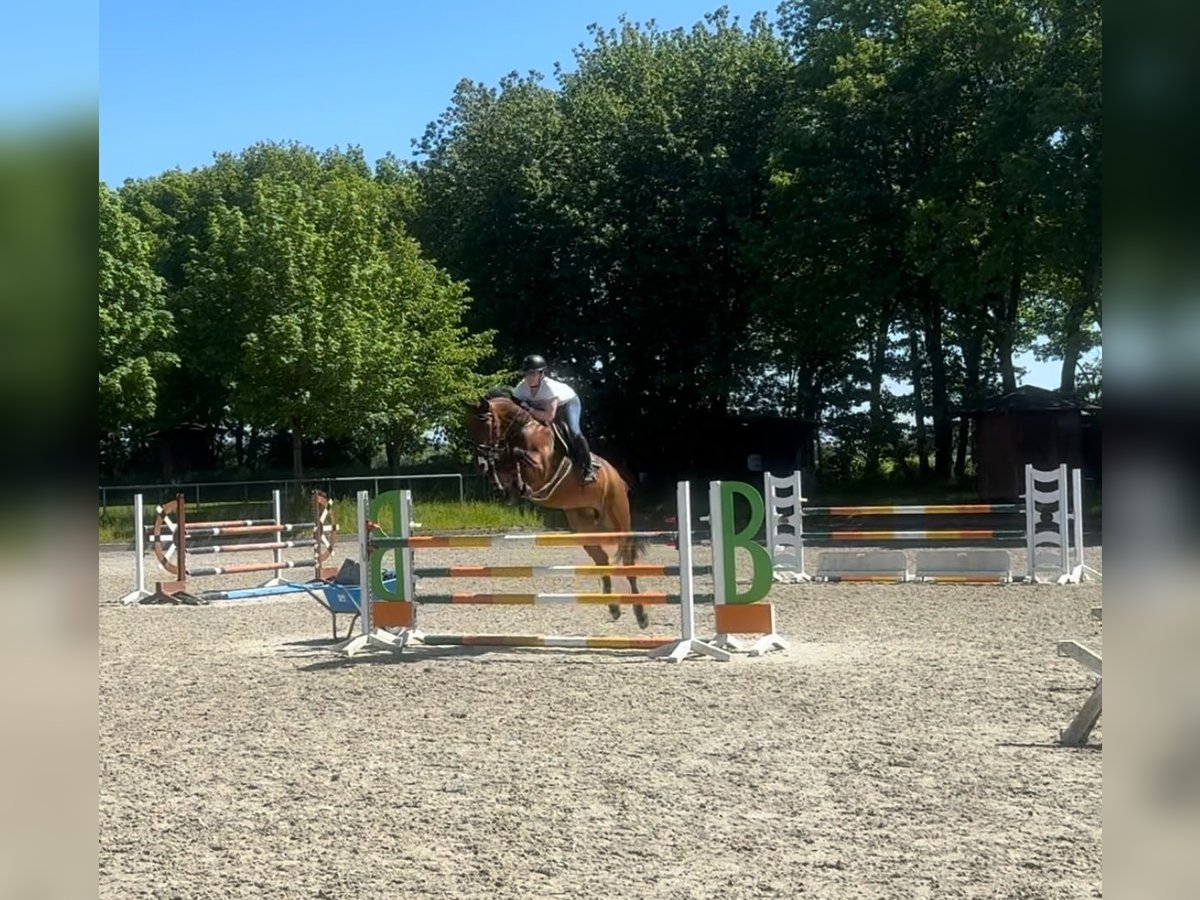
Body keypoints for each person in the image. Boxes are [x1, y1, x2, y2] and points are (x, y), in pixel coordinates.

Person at [512, 354, 598, 484]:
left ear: (541, 374)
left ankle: (588, 469)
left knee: (573, 431)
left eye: (533, 374)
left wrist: (530, 409)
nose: (529, 378)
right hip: (543, 409)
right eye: (526, 374)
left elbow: (549, 416)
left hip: (567, 404)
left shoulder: (549, 389)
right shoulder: (521, 388)